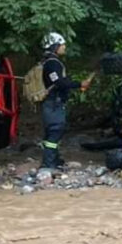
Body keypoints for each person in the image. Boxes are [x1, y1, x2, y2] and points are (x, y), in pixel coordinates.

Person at [40, 32, 92, 169]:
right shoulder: (53, 63)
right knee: (55, 131)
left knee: (52, 132)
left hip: (52, 103)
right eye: (62, 44)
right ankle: (49, 163)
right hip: (54, 104)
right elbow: (59, 83)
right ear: (54, 46)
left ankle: (54, 160)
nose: (64, 47)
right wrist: (79, 84)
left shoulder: (48, 62)